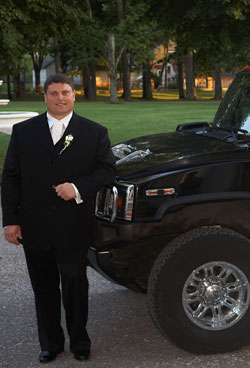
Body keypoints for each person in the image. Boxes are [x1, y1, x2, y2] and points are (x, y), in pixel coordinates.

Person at [1, 73, 116, 363]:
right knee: (44, 287)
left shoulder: (94, 132)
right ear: (45, 96)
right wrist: (10, 220)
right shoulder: (24, 131)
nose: (60, 98)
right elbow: (11, 177)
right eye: (53, 93)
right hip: (34, 225)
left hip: (74, 225)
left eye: (65, 92)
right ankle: (50, 343)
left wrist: (77, 187)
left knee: (75, 284)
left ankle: (79, 341)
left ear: (74, 95)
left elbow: (106, 171)